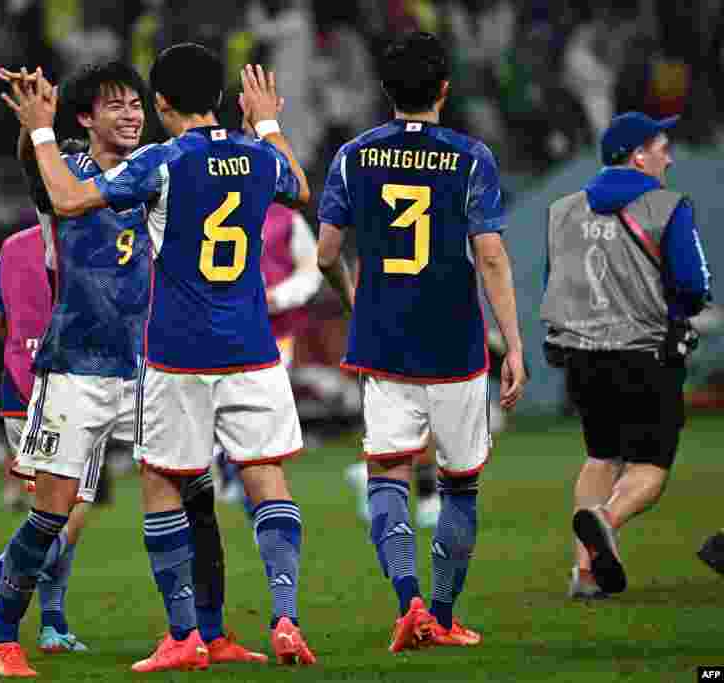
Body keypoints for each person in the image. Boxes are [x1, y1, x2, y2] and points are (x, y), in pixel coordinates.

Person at [3, 45, 316, 672]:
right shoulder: (256, 156)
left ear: (161, 104)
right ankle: (284, 616)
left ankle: (190, 634)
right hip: (225, 350)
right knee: (261, 478)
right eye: (113, 104)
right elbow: (300, 186)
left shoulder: (159, 162)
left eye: (138, 101)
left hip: (173, 354)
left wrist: (40, 123)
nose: (131, 112)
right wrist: (270, 123)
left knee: (167, 486)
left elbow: (69, 198)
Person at [317, 31, 526, 652]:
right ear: (443, 89)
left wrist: (356, 295)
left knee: (387, 473)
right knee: (459, 483)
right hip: (454, 344)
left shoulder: (353, 155)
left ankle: (407, 601)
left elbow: (327, 252)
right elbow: (490, 259)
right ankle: (442, 612)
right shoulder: (470, 157)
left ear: (385, 91)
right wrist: (512, 343)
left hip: (382, 342)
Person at [540, 111, 712, 598]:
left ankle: (586, 575)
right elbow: (693, 284)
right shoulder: (666, 206)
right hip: (645, 354)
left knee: (600, 457)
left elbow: (561, 279)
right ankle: (604, 522)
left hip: (580, 355)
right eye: (662, 147)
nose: (670, 157)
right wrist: (679, 311)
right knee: (649, 469)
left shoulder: (563, 209)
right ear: (638, 156)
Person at [215, 202, 322, 511]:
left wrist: (280, 297)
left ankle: (245, 475)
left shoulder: (286, 219)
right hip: (217, 332)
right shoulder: (205, 203)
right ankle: (227, 464)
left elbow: (312, 267)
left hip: (274, 334)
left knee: (261, 412)